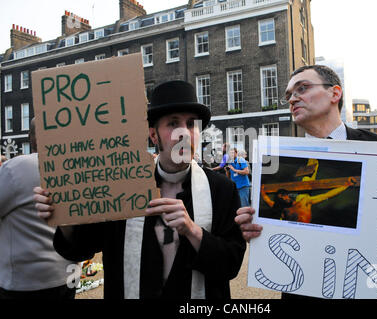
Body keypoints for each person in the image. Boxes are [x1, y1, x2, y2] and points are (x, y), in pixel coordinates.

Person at [34, 80, 246, 299]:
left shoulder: (222, 189)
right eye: (173, 123)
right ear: (153, 135)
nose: (184, 132)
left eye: (191, 123)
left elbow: (231, 264)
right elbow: (81, 248)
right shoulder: (120, 187)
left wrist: (192, 230)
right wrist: (64, 216)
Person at [235, 64, 377, 299]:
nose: (292, 99)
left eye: (302, 88)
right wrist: (258, 223)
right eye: (289, 94)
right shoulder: (278, 161)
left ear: (335, 93)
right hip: (304, 289)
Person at [0, 119, 75, 299]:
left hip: (25, 281)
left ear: (30, 138)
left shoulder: (14, 169)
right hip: (68, 274)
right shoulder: (72, 168)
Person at [260, 178, 357, 223]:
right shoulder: (282, 207)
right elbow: (268, 201)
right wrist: (262, 191)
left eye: (285, 196)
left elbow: (327, 195)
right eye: (283, 197)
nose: (286, 197)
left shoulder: (304, 201)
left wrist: (346, 185)